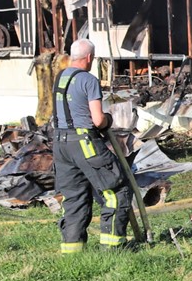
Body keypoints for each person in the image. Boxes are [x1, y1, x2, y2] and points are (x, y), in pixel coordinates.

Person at [51, 38, 133, 253]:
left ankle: (72, 250)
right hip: (84, 142)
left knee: (74, 197)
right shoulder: (88, 80)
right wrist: (107, 119)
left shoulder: (60, 77)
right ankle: (112, 248)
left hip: (60, 144)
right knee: (116, 190)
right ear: (89, 58)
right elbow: (97, 120)